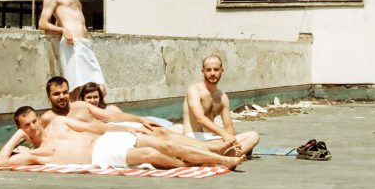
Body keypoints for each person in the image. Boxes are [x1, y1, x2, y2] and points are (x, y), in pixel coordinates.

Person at [0, 107, 244, 171]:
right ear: (22, 130)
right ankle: (212, 162)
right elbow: (1, 163)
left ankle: (219, 157)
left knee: (166, 144)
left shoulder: (60, 122)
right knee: (153, 156)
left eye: (33, 121)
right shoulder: (35, 155)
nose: (33, 127)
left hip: (107, 141)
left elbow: (94, 127)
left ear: (39, 118)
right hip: (102, 156)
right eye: (26, 126)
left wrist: (124, 129)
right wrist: (15, 139)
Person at [48, 76, 235, 157]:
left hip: (115, 133)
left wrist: (139, 120)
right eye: (57, 94)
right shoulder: (48, 118)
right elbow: (30, 134)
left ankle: (209, 148)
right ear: (49, 97)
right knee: (160, 140)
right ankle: (209, 150)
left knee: (159, 132)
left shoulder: (81, 106)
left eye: (64, 92)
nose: (62, 97)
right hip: (101, 144)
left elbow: (111, 115)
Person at [39, 0, 105, 98]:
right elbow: (42, 23)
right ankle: (70, 117)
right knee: (76, 88)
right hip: (71, 44)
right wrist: (63, 30)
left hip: (85, 45)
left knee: (100, 89)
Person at [183, 55, 260, 155]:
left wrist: (231, 141)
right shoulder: (194, 90)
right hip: (193, 139)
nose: (212, 73)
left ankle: (227, 153)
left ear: (221, 71)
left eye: (216, 69)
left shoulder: (222, 97)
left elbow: (228, 126)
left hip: (212, 140)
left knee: (253, 136)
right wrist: (224, 134)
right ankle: (228, 154)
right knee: (177, 129)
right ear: (203, 71)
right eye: (208, 70)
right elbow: (200, 119)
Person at [76, 81, 179, 131]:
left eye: (95, 97)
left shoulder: (110, 109)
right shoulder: (83, 116)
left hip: (142, 123)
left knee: (175, 129)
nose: (93, 101)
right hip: (136, 129)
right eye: (89, 97)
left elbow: (128, 120)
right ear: (82, 99)